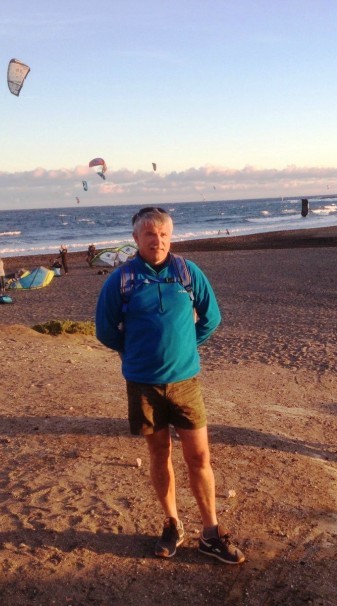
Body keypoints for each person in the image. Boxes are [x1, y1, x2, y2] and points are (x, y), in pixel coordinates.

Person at [95, 207, 245, 565]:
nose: (156, 240)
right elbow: (104, 329)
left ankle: (210, 532)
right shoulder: (121, 279)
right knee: (159, 455)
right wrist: (134, 353)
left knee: (199, 457)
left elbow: (212, 317)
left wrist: (186, 347)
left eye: (163, 234)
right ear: (135, 238)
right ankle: (172, 524)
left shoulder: (187, 272)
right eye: (149, 234)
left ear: (170, 237)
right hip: (143, 385)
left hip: (185, 383)